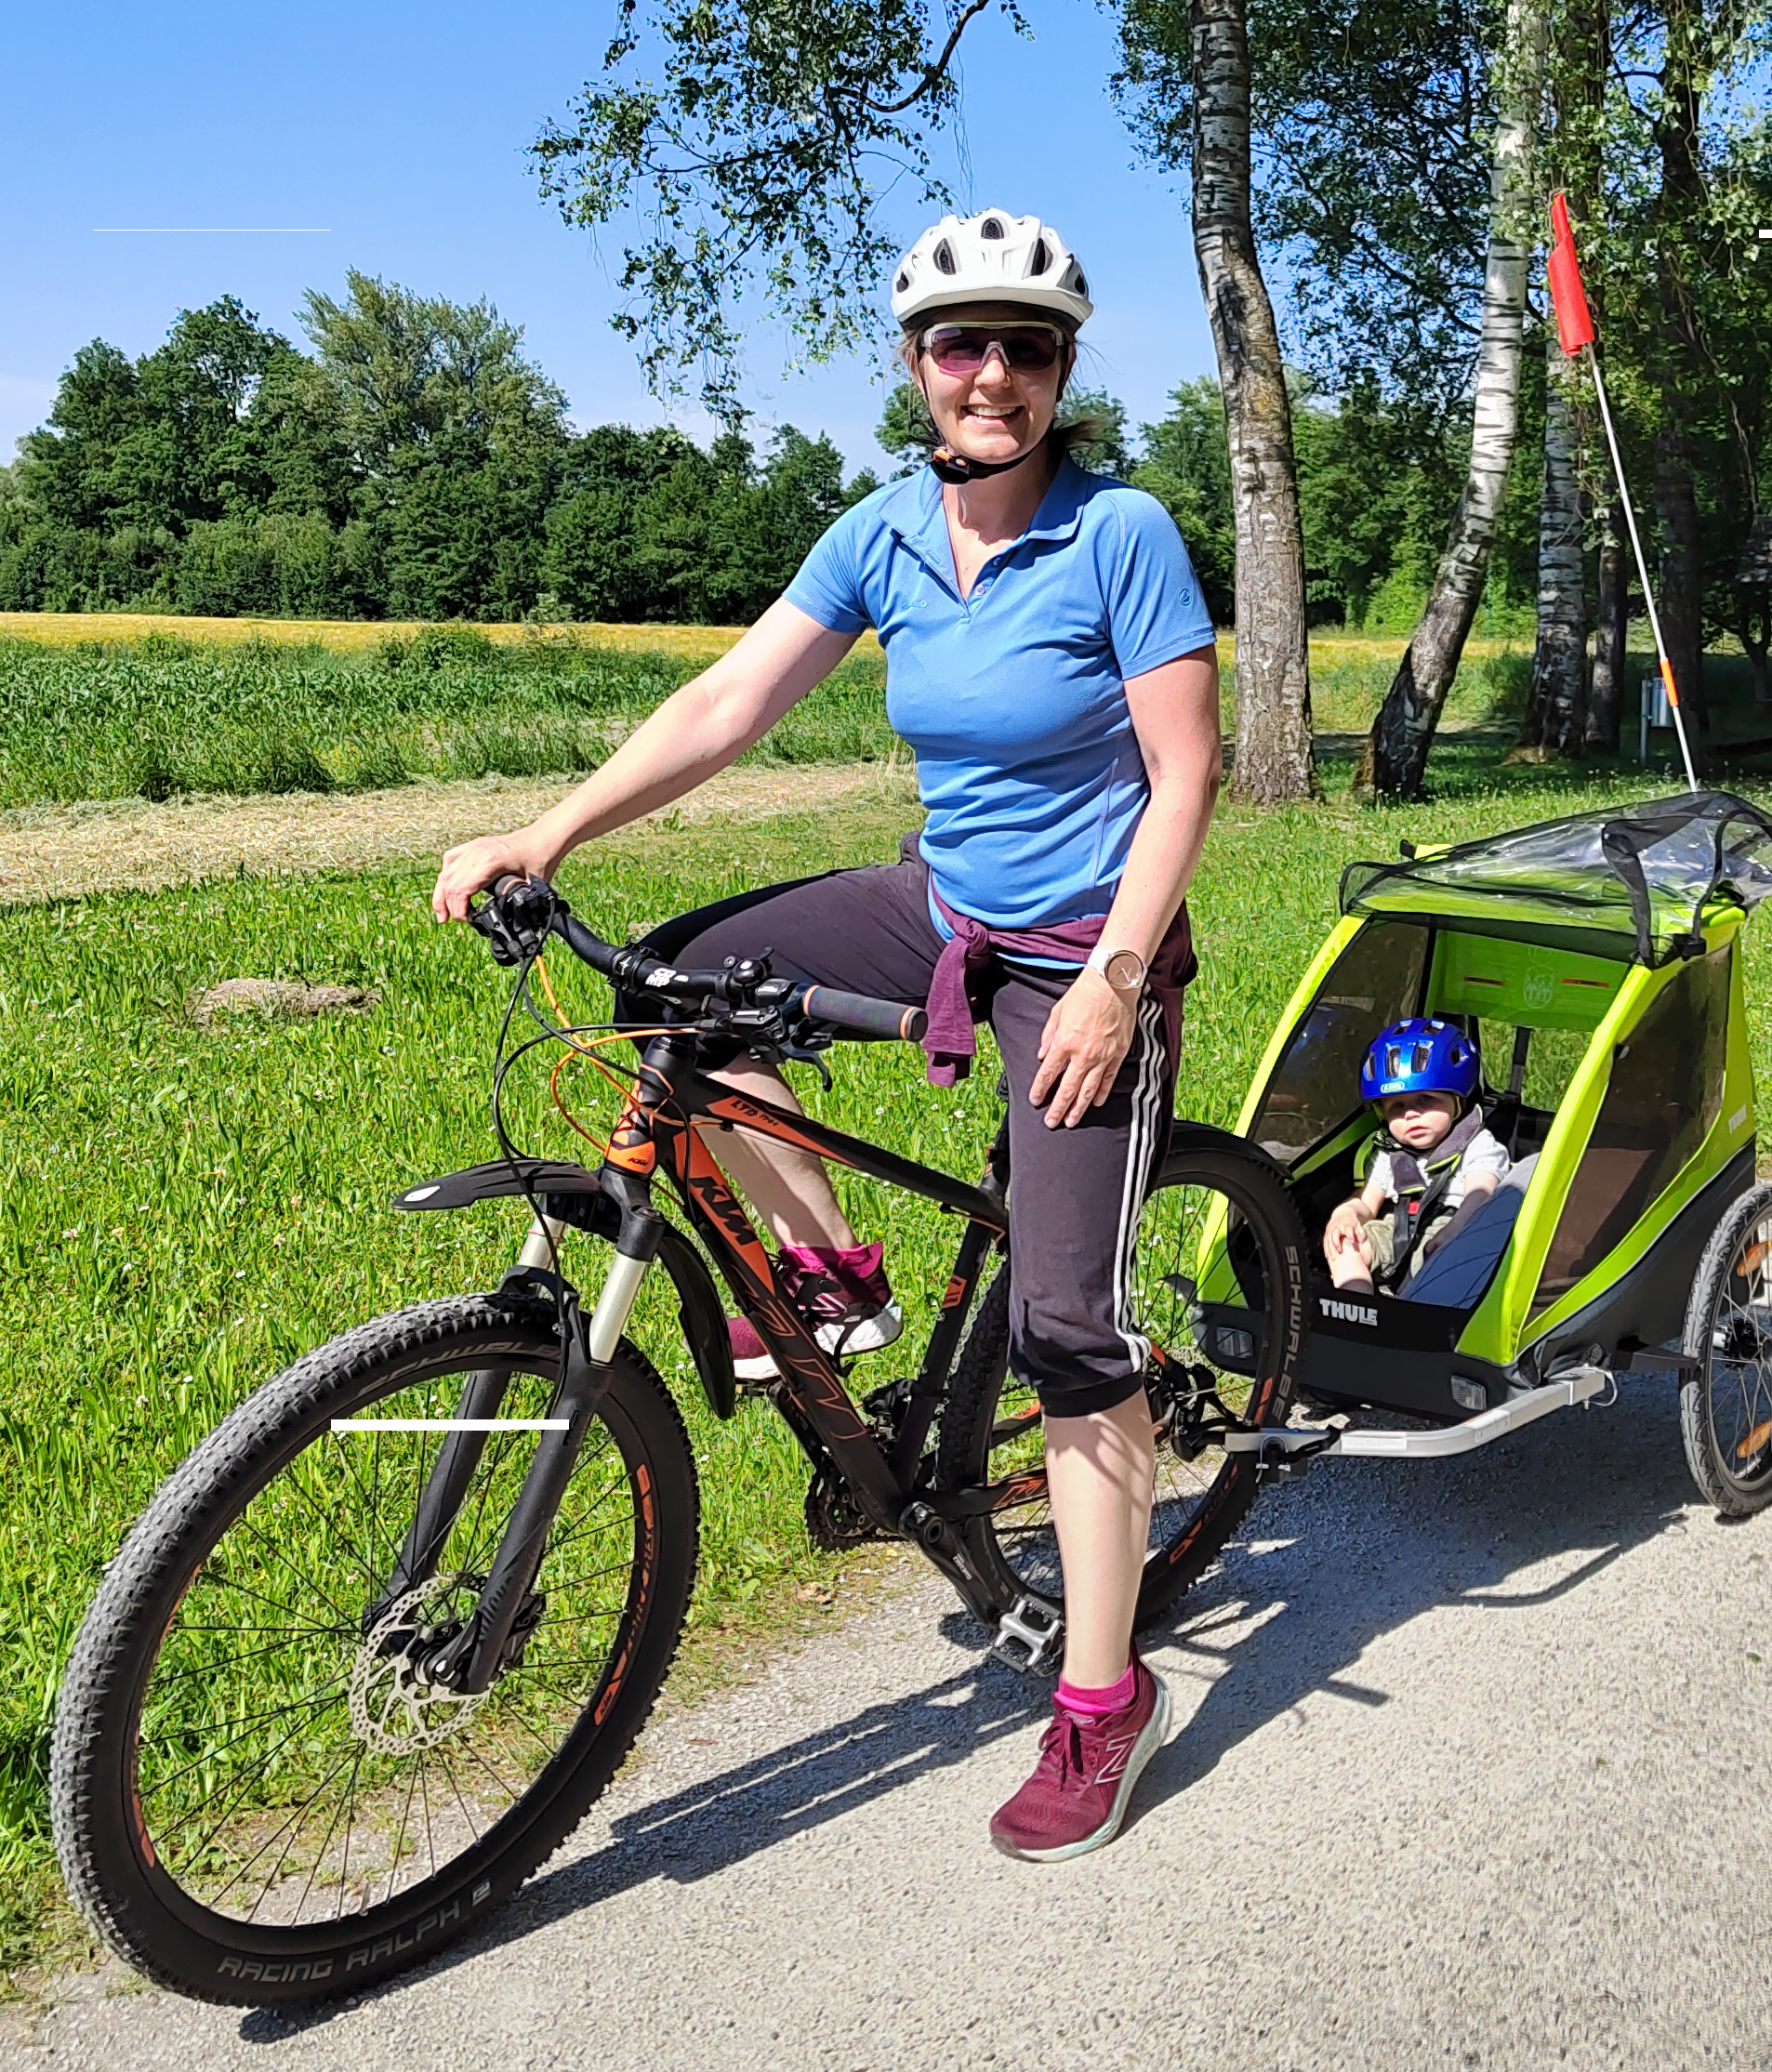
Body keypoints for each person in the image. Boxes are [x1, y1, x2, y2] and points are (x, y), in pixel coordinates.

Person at [430, 209, 1220, 1864]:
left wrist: (1116, 976)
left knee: (1069, 1323)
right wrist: (547, 830)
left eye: (1021, 345)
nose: (987, 371)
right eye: (958, 343)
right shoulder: (879, 531)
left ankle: (1100, 1700)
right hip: (940, 906)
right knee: (665, 987)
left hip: (1084, 942)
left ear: (1061, 370)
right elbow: (728, 700)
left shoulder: (1120, 531)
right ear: (917, 365)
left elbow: (1184, 771)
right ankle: (832, 1275)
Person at [1323, 1017, 1511, 1296]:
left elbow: (1479, 1195)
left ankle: (1406, 1313)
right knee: (1344, 1245)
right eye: (1397, 1107)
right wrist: (1345, 1216)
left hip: (1455, 1230)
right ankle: (1356, 1306)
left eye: (1425, 1100)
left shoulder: (1478, 1146)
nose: (1410, 1114)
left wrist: (1456, 1230)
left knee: (1432, 1269)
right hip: (1398, 1229)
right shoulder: (1392, 1155)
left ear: (1458, 1100)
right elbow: (1367, 1203)